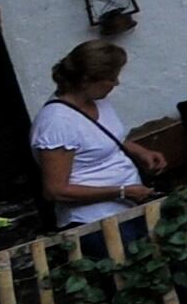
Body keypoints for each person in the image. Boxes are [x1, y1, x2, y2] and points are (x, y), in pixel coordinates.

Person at [33, 38, 174, 232]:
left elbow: (105, 139)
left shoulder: (98, 100)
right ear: (86, 80)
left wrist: (141, 152)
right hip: (96, 223)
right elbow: (55, 190)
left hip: (129, 208)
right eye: (111, 78)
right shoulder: (56, 122)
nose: (116, 82)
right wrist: (122, 192)